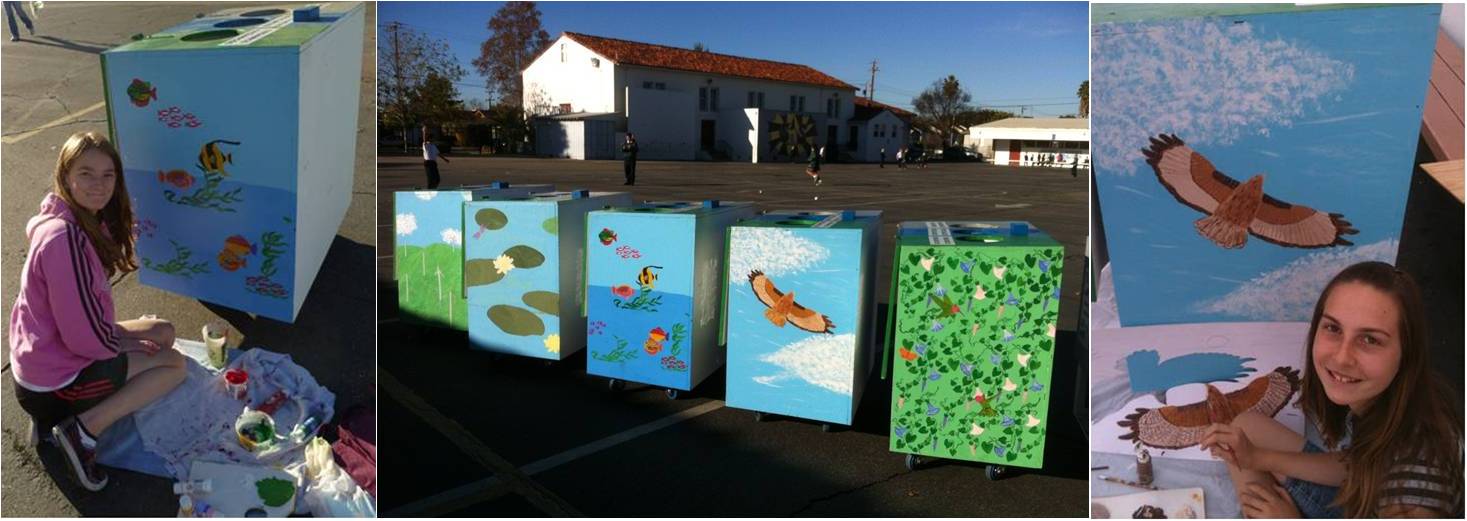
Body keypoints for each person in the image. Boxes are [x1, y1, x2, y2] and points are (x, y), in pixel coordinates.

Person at [1200, 262, 1463, 518]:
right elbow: (1355, 464)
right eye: (1333, 328)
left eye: (1370, 339)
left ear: (1406, 354)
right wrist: (1258, 458)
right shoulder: (1397, 401)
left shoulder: (1411, 495)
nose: (1341, 357)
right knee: (1248, 428)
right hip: (1363, 496)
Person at [10, 132, 186, 492]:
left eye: (108, 175)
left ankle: (52, 420)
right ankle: (83, 431)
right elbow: (83, 336)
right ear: (65, 175)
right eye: (86, 173)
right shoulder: (65, 239)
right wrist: (122, 347)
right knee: (173, 364)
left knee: (163, 330)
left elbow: (81, 322)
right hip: (55, 382)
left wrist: (125, 340)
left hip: (48, 358)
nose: (99, 184)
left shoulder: (73, 219)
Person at [421, 125, 448, 189]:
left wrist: (445, 159)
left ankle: (433, 189)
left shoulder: (433, 146)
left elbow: (438, 154)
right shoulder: (426, 145)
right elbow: (424, 139)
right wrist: (424, 132)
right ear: (429, 138)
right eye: (432, 138)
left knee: (437, 179)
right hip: (428, 163)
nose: (433, 140)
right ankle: (429, 190)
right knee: (430, 178)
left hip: (433, 163)